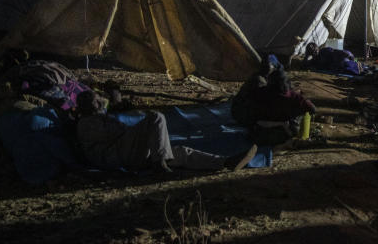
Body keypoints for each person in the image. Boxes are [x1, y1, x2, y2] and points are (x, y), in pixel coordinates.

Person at [75, 90, 256, 173]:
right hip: (116, 155)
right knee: (156, 118)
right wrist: (113, 110)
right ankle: (159, 162)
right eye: (96, 100)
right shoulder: (86, 123)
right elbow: (116, 133)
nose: (100, 102)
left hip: (125, 152)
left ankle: (225, 162)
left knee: (181, 152)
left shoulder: (96, 119)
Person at [248, 69, 318, 145]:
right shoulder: (295, 97)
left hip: (259, 133)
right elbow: (313, 109)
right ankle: (302, 137)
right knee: (305, 114)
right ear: (287, 82)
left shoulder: (259, 92)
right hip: (283, 135)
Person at [231, 55, 282, 127]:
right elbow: (263, 101)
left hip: (241, 111)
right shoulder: (259, 81)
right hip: (243, 115)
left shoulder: (259, 76)